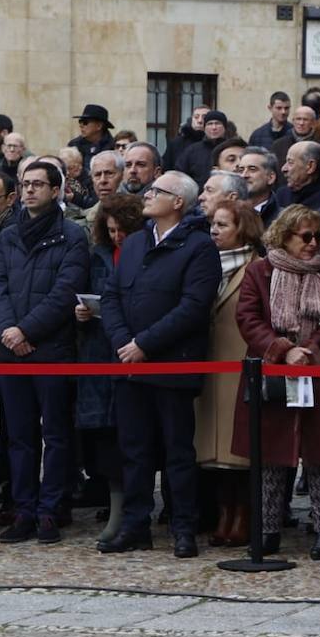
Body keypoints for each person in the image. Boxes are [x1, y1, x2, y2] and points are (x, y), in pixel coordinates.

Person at [101, 170, 219, 558]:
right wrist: (123, 342)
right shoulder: (135, 243)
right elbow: (113, 294)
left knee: (177, 452)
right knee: (133, 449)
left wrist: (145, 345)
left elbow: (193, 307)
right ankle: (136, 525)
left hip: (172, 366)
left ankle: (183, 527)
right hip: (130, 364)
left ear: (178, 202)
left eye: (157, 191)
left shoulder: (199, 246)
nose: (147, 195)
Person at [232, 204, 320, 560]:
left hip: (317, 370)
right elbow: (248, 317)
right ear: (285, 236)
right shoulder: (260, 272)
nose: (313, 243)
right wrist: (282, 349)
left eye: (318, 237)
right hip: (272, 371)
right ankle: (266, 531)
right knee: (270, 457)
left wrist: (309, 349)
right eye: (305, 236)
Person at [0, 161, 89, 545]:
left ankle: (51, 509)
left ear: (56, 190)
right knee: (20, 435)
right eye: (25, 184)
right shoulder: (9, 236)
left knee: (57, 434)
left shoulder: (71, 236)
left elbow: (66, 290)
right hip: (10, 351)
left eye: (38, 185)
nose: (30, 191)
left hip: (52, 348)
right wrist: (8, 332)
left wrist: (26, 329)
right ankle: (24, 508)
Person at [74, 195, 145, 548]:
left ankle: (136, 515)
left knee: (134, 439)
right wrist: (84, 312)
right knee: (105, 441)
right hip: (99, 355)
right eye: (112, 230)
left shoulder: (145, 253)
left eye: (123, 231)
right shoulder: (98, 255)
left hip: (135, 351)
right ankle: (117, 509)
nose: (117, 237)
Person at [199, 200, 263, 550]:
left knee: (241, 452)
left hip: (241, 362)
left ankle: (244, 516)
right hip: (211, 365)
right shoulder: (206, 264)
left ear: (243, 228)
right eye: (213, 224)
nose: (214, 231)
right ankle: (224, 514)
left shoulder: (258, 266)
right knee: (215, 453)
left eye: (222, 225)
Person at [175, 109, 227, 187]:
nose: (214, 127)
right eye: (210, 124)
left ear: (224, 127)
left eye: (217, 123)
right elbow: (180, 175)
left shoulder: (231, 148)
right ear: (204, 128)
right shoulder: (192, 150)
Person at [236, 147, 279, 225]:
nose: (244, 175)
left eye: (252, 169)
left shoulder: (282, 220)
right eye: (241, 170)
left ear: (270, 177)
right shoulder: (227, 213)